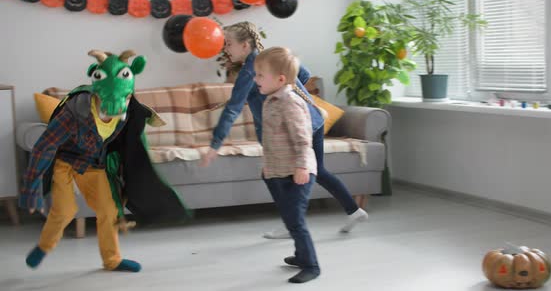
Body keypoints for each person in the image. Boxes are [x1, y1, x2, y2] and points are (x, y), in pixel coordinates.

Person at [20, 50, 188, 272]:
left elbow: (130, 147)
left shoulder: (129, 112)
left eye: (125, 99)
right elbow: (45, 145)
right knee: (65, 210)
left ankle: (112, 260)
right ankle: (44, 246)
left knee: (108, 210)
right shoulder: (74, 111)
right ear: (98, 94)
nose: (118, 108)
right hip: (66, 161)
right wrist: (32, 183)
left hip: (93, 163)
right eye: (111, 101)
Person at [199, 22, 368, 238]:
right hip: (311, 120)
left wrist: (215, 145)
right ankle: (353, 211)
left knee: (277, 176)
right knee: (316, 171)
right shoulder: (272, 59)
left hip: (287, 133)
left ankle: (292, 224)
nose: (226, 49)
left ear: (245, 45)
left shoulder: (250, 72)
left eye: (229, 44)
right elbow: (304, 74)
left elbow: (232, 110)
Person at [255, 46, 320, 283]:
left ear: (280, 79)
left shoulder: (290, 102)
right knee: (288, 215)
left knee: (295, 219)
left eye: (261, 75)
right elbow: (273, 138)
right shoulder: (270, 100)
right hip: (277, 170)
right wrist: (268, 167)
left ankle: (311, 265)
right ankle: (301, 255)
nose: (256, 79)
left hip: (297, 171)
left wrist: (302, 166)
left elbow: (303, 138)